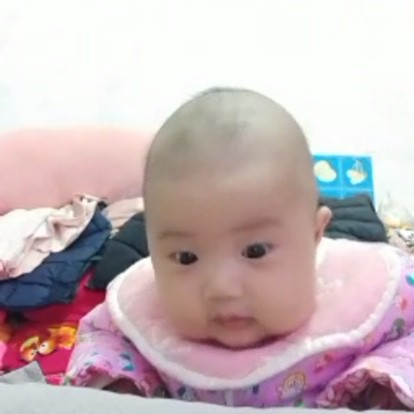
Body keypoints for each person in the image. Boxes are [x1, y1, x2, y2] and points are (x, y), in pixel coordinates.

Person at [65, 88, 414, 409]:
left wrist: (387, 383)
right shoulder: (140, 311)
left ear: (315, 235)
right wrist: (118, 387)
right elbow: (104, 339)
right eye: (186, 257)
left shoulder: (369, 296)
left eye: (255, 251)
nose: (222, 288)